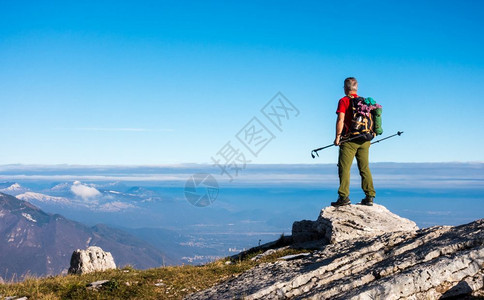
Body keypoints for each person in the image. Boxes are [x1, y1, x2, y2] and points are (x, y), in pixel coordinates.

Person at [331, 77, 376, 207]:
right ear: (356, 88)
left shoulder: (344, 101)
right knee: (364, 168)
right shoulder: (365, 102)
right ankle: (369, 196)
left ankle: (344, 197)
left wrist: (338, 137)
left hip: (349, 139)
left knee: (344, 168)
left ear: (345, 88)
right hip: (365, 139)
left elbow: (340, 119)